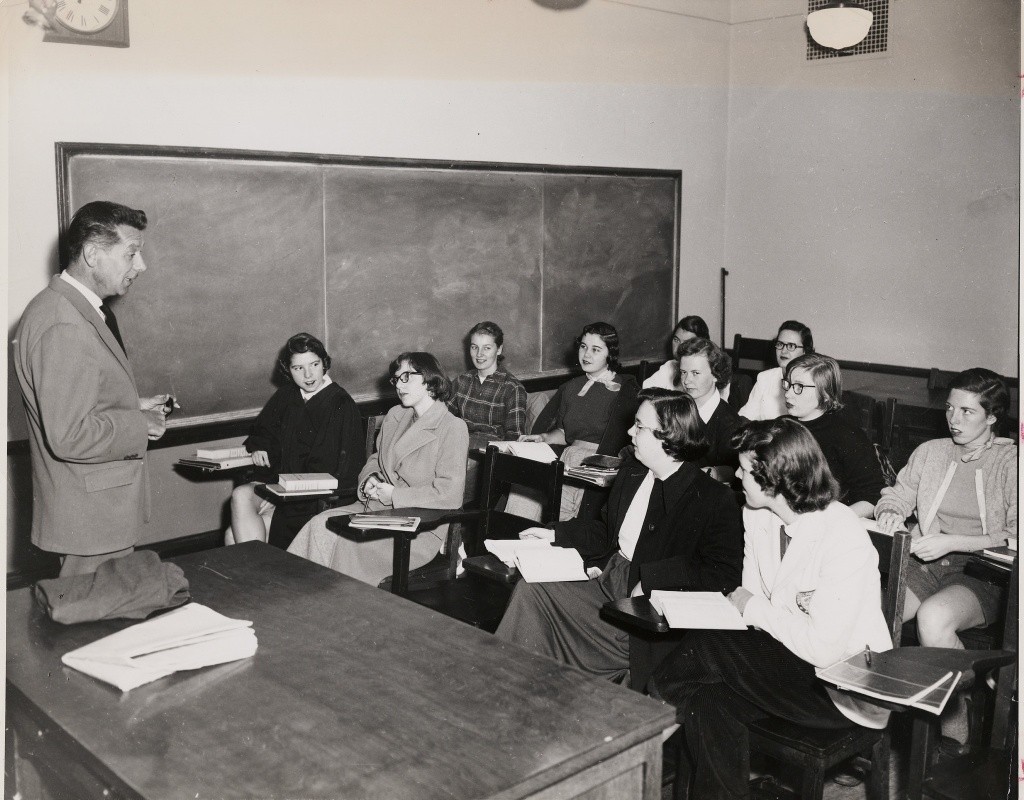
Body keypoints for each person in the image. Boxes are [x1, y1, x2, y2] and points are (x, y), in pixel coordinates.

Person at [648, 418, 893, 800]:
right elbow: (750, 596)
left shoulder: (842, 535)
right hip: (784, 660)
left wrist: (752, 609)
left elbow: (821, 648)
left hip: (840, 686)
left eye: (746, 471)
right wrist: (745, 609)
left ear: (775, 479)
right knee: (708, 700)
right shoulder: (758, 513)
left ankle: (642, 727)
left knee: (705, 651)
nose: (737, 478)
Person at [496, 389, 743, 691]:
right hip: (610, 580)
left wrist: (653, 578)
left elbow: (723, 573)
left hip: (644, 609)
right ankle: (508, 683)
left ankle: (534, 686)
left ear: (670, 436)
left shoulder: (713, 498)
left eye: (640, 426)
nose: (629, 431)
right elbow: (606, 531)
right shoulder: (633, 472)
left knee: (539, 603)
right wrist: (556, 533)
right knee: (531, 591)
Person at [14, 201, 171, 576]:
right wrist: (140, 424)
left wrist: (133, 404)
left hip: (94, 518)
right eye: (131, 254)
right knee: (96, 631)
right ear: (92, 254)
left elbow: (80, 399)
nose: (141, 266)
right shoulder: (64, 324)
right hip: (89, 525)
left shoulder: (70, 309)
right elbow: (69, 435)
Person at [874, 368, 1016, 749]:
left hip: (985, 571)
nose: (954, 419)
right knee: (873, 613)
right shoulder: (931, 452)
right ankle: (870, 725)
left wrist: (953, 541)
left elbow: (1015, 535)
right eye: (950, 409)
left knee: (933, 619)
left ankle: (957, 711)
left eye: (968, 411)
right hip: (925, 561)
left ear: (992, 416)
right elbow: (897, 493)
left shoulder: (1011, 463)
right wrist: (889, 509)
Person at [287, 352, 469, 586]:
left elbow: (450, 494)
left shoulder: (452, 427)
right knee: (319, 525)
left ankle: (339, 606)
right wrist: (370, 479)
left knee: (347, 543)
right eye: (396, 379)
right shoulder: (396, 415)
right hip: (378, 510)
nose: (399, 386)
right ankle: (297, 595)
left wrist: (394, 495)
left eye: (406, 377)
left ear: (428, 379)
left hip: (419, 527)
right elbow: (375, 459)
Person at [224, 333, 363, 550]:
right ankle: (260, 575)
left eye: (314, 364)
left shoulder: (339, 404)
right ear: (288, 370)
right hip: (281, 487)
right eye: (298, 368)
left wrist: (284, 494)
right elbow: (264, 430)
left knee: (232, 535)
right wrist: (260, 445)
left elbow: (334, 469)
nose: (308, 375)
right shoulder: (287, 395)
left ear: (324, 364)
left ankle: (260, 578)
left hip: (313, 499)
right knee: (240, 494)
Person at [514, 321, 639, 520]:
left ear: (610, 354)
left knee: (568, 525)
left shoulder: (625, 388)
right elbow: (564, 433)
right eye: (583, 347)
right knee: (527, 477)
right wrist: (543, 437)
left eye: (595, 349)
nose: (586, 354)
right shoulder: (571, 387)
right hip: (570, 457)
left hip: (599, 464)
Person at [782, 353, 885, 517]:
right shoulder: (780, 426)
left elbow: (873, 496)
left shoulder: (848, 436)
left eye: (799, 387)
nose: (788, 394)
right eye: (787, 384)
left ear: (825, 393)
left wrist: (831, 521)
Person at [448, 321, 528, 449]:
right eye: (474, 347)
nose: (479, 354)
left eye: (487, 348)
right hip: (460, 444)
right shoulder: (461, 381)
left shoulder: (512, 388)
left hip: (492, 453)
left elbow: (515, 438)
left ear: (499, 349)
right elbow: (442, 417)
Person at [643, 315, 752, 409]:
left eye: (686, 342)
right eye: (676, 340)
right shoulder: (670, 366)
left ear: (701, 345)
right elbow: (646, 392)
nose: (678, 348)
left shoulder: (713, 373)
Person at [674, 337, 742, 467]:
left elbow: (730, 473)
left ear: (716, 375)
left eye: (695, 373)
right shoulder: (677, 409)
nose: (687, 381)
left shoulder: (730, 424)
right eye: (683, 372)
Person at [738, 320, 814, 421]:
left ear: (805, 351)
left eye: (791, 346)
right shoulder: (765, 378)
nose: (783, 351)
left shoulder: (813, 382)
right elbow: (746, 415)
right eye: (780, 344)